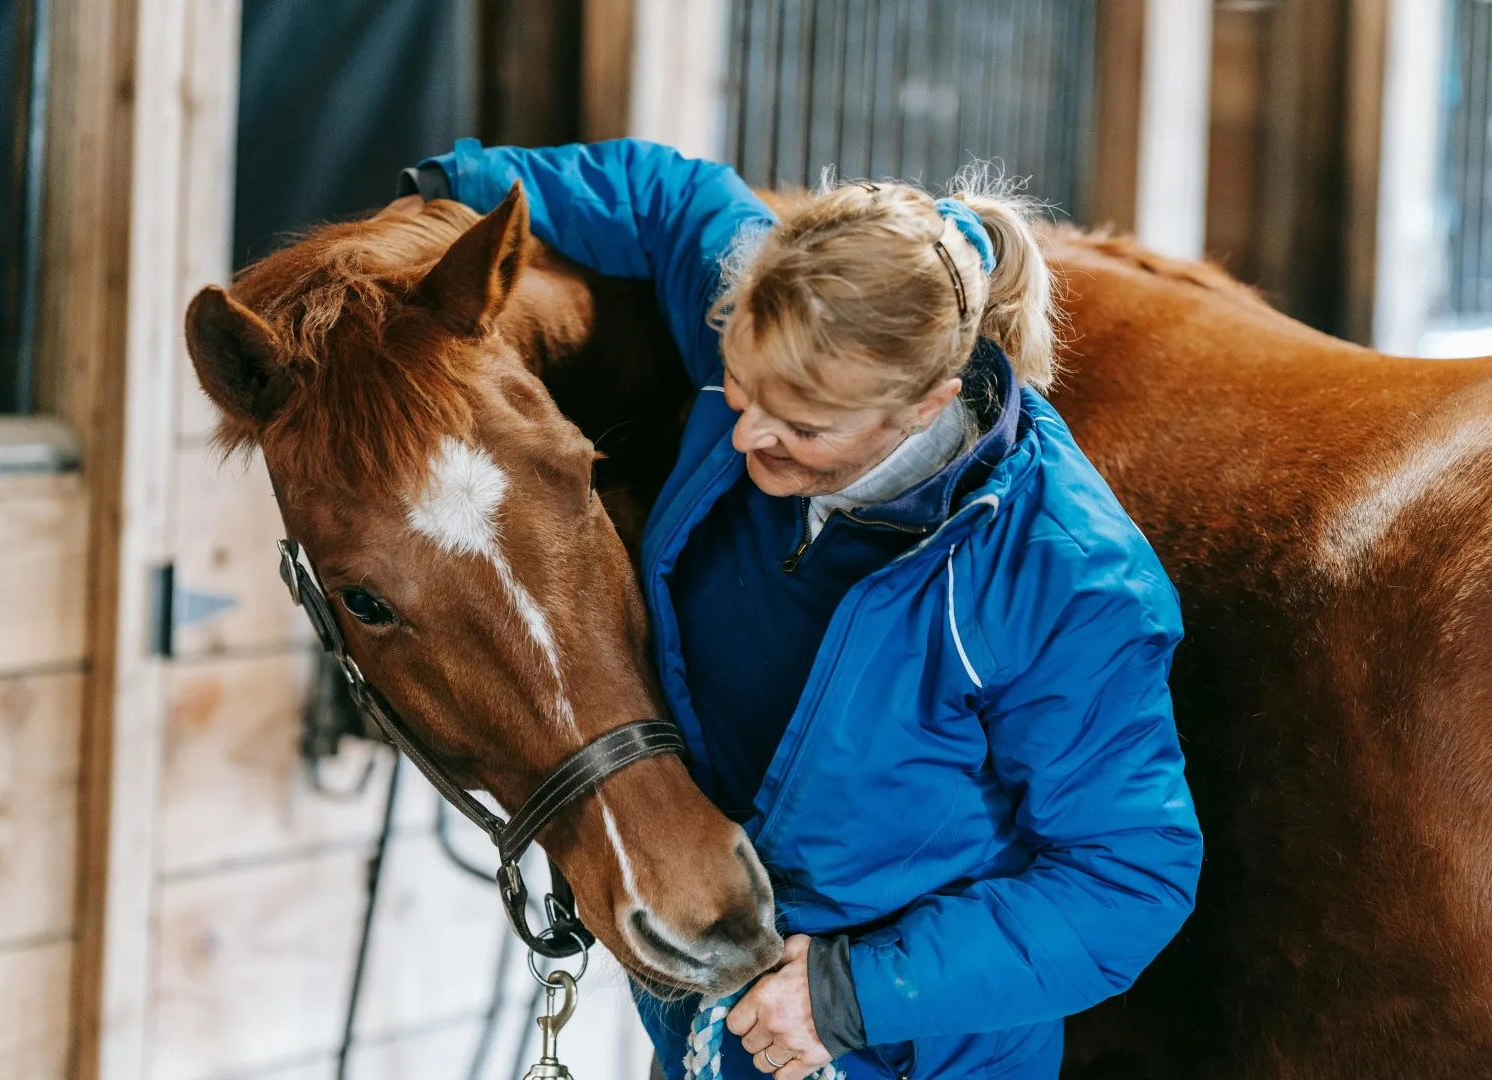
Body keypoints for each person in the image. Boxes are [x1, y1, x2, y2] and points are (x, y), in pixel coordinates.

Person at [399, 140, 1202, 1080]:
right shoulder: (783, 331)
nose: (745, 437)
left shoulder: (1068, 578)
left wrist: (851, 994)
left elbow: (1130, 877)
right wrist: (445, 189)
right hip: (715, 1029)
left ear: (924, 404)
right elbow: (672, 197)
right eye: (738, 388)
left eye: (804, 427)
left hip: (894, 1050)